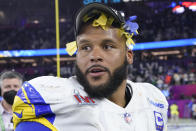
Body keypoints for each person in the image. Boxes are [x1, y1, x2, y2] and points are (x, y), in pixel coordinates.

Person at [13, 2, 168, 131]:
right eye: (85, 47)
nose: (94, 56)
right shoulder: (53, 98)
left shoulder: (152, 99)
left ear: (129, 55)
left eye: (107, 46)